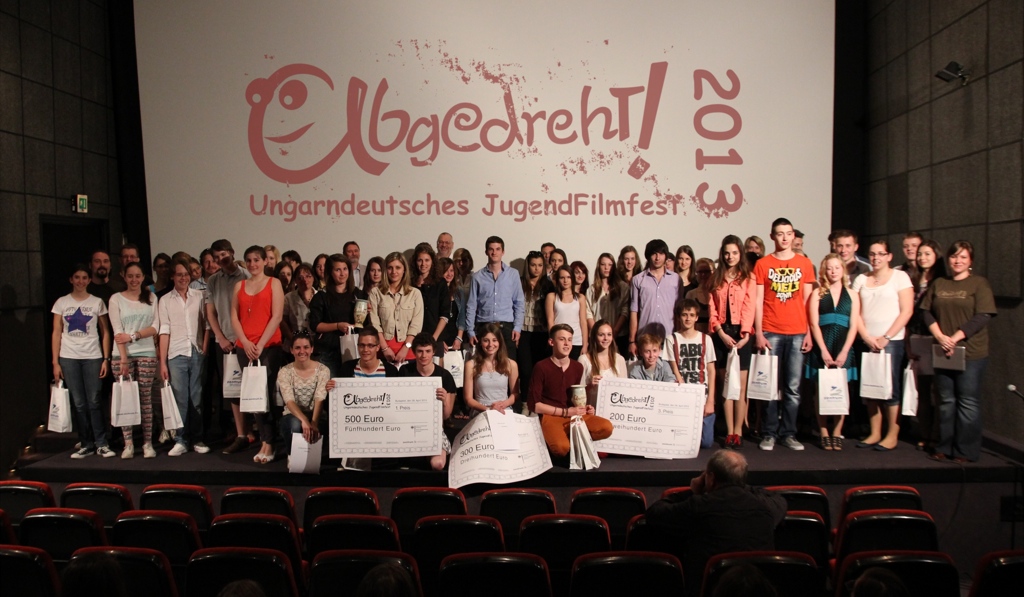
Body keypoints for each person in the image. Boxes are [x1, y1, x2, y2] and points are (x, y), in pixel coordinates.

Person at [645, 450, 786, 594]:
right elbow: (779, 499)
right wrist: (739, 485)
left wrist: (693, 492)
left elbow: (655, 512)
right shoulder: (766, 507)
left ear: (711, 478)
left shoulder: (699, 506)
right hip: (759, 591)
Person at [922, 240, 996, 463]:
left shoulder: (979, 284)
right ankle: (944, 446)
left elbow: (983, 316)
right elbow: (926, 311)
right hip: (943, 350)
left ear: (970, 260)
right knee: (946, 401)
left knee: (967, 402)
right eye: (954, 256)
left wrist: (955, 337)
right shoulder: (940, 283)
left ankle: (965, 450)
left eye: (963, 257)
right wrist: (940, 336)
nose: (958, 261)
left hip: (970, 353)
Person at [754, 217, 816, 451]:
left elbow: (809, 301)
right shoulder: (763, 264)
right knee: (769, 386)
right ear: (772, 236)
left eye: (788, 233)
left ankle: (789, 433)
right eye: (780, 234)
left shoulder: (804, 264)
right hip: (771, 331)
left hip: (798, 331)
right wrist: (759, 333)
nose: (784, 238)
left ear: (793, 236)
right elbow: (758, 301)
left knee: (793, 387)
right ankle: (769, 433)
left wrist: (809, 332)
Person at [852, 240, 913, 452]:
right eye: (872, 254)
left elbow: (907, 311)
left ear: (889, 256)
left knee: (891, 388)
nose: (876, 258)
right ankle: (875, 432)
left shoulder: (900, 277)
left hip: (891, 341)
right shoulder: (861, 279)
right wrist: (866, 337)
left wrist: (887, 336)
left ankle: (892, 434)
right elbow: (855, 312)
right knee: (870, 388)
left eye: (880, 254)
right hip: (867, 340)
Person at [230, 245, 285, 463]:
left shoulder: (274, 283)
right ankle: (264, 439)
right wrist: (245, 342)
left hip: (268, 347)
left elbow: (277, 316)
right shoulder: (239, 285)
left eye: (256, 260)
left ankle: (270, 442)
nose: (253, 264)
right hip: (245, 348)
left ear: (264, 261)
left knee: (267, 395)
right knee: (253, 396)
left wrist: (260, 344)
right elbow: (234, 317)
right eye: (249, 260)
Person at [52, 264, 114, 458]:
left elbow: (105, 331)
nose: (81, 281)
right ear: (71, 279)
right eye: (77, 277)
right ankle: (86, 443)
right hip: (68, 357)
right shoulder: (62, 302)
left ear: (89, 280)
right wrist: (55, 362)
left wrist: (106, 358)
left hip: (93, 356)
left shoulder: (97, 302)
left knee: (94, 400)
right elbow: (56, 332)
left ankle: (101, 443)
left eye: (84, 278)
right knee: (79, 403)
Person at [528, 324, 613, 457]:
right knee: (561, 448)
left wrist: (585, 407)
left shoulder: (577, 367)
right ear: (551, 342)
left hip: (573, 416)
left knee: (606, 427)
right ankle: (558, 442)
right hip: (551, 416)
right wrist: (565, 412)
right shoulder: (541, 367)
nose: (567, 344)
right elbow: (534, 405)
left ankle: (573, 441)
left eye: (570, 340)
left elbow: (574, 396)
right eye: (562, 339)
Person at [707, 235, 756, 449]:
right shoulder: (715, 278)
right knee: (726, 385)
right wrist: (720, 333)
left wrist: (745, 336)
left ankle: (739, 430)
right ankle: (729, 432)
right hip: (721, 335)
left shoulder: (748, 278)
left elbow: (749, 307)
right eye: (727, 253)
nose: (730, 257)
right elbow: (712, 309)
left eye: (734, 253)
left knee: (740, 388)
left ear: (740, 254)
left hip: (742, 333)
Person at [807, 253, 860, 451]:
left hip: (844, 346)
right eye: (829, 268)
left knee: (841, 390)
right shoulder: (817, 293)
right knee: (820, 391)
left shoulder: (852, 295)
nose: (833, 271)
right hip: (823, 345)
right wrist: (822, 350)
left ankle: (837, 432)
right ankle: (824, 432)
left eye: (837, 267)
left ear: (843, 270)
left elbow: (854, 325)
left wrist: (845, 351)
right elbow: (814, 323)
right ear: (824, 271)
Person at [109, 262, 160, 458]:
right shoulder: (116, 299)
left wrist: (134, 336)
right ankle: (128, 444)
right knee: (126, 399)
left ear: (143, 277)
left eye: (137, 276)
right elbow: (117, 330)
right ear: (124, 276)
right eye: (130, 276)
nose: (134, 279)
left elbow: (155, 327)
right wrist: (123, 357)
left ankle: (147, 443)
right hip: (121, 355)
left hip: (146, 351)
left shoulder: (151, 297)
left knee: (146, 398)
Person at [159, 258, 210, 455]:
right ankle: (181, 439)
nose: (183, 278)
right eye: (179, 274)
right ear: (172, 276)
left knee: (196, 397)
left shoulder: (199, 296)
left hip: (196, 351)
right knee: (180, 398)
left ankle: (198, 438)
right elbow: (164, 331)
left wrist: (204, 348)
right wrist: (163, 362)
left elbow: (206, 324)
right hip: (175, 353)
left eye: (186, 274)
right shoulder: (165, 300)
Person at [205, 239, 252, 453]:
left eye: (223, 255)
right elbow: (211, 313)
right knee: (233, 390)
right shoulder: (213, 281)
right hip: (224, 343)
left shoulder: (247, 276)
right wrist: (221, 338)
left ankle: (255, 432)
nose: (220, 259)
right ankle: (241, 434)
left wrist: (245, 339)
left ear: (232, 252)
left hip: (247, 341)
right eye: (216, 257)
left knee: (252, 388)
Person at [907, 239, 946, 451]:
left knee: (938, 391)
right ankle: (924, 433)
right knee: (921, 390)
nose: (922, 258)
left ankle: (937, 435)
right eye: (920, 254)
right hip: (917, 338)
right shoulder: (911, 279)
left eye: (927, 254)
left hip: (937, 339)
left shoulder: (942, 281)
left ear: (937, 256)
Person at [399, 333, 456, 470]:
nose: (424, 355)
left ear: (433, 352)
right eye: (420, 351)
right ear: (414, 352)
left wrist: (444, 401)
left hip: (434, 429)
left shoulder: (445, 376)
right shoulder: (405, 371)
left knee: (438, 464)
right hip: (407, 427)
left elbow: (446, 416)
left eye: (428, 351)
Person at [466, 236, 525, 360]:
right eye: (491, 249)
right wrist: (470, 331)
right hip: (483, 326)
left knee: (508, 364)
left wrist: (517, 328)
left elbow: (519, 303)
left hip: (507, 328)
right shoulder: (477, 277)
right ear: (486, 251)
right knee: (483, 365)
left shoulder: (513, 274)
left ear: (503, 252)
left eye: (498, 249)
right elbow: (471, 305)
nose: (494, 252)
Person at [670, 299, 717, 448]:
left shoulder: (706, 339)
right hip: (681, 397)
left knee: (706, 443)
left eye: (691, 315)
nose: (688, 318)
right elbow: (673, 368)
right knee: (680, 440)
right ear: (679, 317)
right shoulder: (672, 339)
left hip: (702, 396)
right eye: (684, 315)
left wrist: (710, 401)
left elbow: (711, 370)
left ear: (697, 317)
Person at [309, 254, 364, 377]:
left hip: (352, 348)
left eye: (345, 269)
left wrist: (366, 312)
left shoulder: (358, 294)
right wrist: (337, 326)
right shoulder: (321, 296)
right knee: (330, 386)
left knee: (351, 384)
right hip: (328, 350)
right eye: (338, 270)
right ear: (330, 272)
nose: (342, 273)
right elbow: (315, 325)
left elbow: (363, 323)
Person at [278, 331, 331, 456]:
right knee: (294, 425)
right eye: (297, 348)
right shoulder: (285, 371)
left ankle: (311, 459)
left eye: (306, 347)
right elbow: (289, 401)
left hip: (316, 414)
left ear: (312, 349)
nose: (302, 351)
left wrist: (314, 422)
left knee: (319, 429)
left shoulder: (323, 370)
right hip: (293, 414)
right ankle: (293, 456)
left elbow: (320, 398)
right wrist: (304, 420)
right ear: (291, 350)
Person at [628, 239, 679, 359]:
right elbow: (634, 311)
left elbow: (679, 311)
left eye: (661, 253)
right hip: (645, 339)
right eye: (654, 254)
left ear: (666, 256)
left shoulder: (676, 279)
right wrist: (632, 341)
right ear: (648, 256)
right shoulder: (638, 280)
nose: (657, 258)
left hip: (669, 338)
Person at [368, 252, 423, 363]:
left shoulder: (415, 293)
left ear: (404, 270)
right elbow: (375, 324)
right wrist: (385, 348)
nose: (394, 272)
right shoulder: (375, 293)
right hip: (382, 353)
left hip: (409, 353)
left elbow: (416, 325)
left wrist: (406, 348)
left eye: (398, 267)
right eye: (390, 268)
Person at [517, 251, 554, 396]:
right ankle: (525, 401)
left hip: (542, 332)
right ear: (528, 266)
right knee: (525, 370)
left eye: (540, 265)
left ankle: (538, 400)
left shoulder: (548, 285)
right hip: (523, 331)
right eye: (533, 265)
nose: (537, 268)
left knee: (540, 369)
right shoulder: (520, 282)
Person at [463, 322, 519, 414]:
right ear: (480, 342)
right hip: (481, 411)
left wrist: (504, 404)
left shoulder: (511, 364)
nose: (490, 344)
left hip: (503, 410)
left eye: (494, 340)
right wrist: (488, 410)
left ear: (499, 342)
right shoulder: (471, 365)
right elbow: (468, 399)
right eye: (486, 340)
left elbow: (515, 394)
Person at [586, 253, 630, 355]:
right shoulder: (591, 290)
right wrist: (597, 332)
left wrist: (614, 331)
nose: (606, 268)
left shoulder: (623, 287)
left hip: (619, 336)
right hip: (598, 337)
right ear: (598, 266)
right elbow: (588, 313)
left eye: (610, 265)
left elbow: (625, 310)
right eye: (603, 264)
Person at [579, 320, 627, 407]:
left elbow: (625, 390)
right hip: (591, 410)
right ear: (594, 336)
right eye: (601, 335)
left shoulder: (620, 359)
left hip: (613, 410)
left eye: (609, 334)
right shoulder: (583, 360)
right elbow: (578, 394)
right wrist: (590, 385)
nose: (606, 338)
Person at [546, 265, 589, 360]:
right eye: (562, 277)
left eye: (568, 277)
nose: (565, 281)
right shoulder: (552, 297)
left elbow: (583, 322)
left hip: (576, 340)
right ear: (558, 279)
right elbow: (550, 321)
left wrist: (585, 344)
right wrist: (554, 339)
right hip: (559, 340)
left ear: (572, 278)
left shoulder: (580, 297)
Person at [411, 244, 449, 349]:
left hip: (436, 338)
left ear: (432, 261)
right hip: (414, 338)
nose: (423, 264)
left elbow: (445, 314)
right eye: (420, 260)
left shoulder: (440, 283)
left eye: (427, 260)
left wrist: (434, 339)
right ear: (415, 262)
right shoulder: (410, 283)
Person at [281, 262, 315, 348]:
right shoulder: (288, 298)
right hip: (294, 342)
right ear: (295, 280)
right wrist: (292, 339)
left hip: (316, 343)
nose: (304, 280)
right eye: (300, 278)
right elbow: (283, 321)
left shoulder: (320, 296)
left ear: (313, 278)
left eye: (308, 276)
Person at [684, 257, 715, 333]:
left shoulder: (718, 293)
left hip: (715, 333)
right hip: (696, 334)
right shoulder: (691, 294)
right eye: (700, 272)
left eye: (707, 271)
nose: (703, 275)